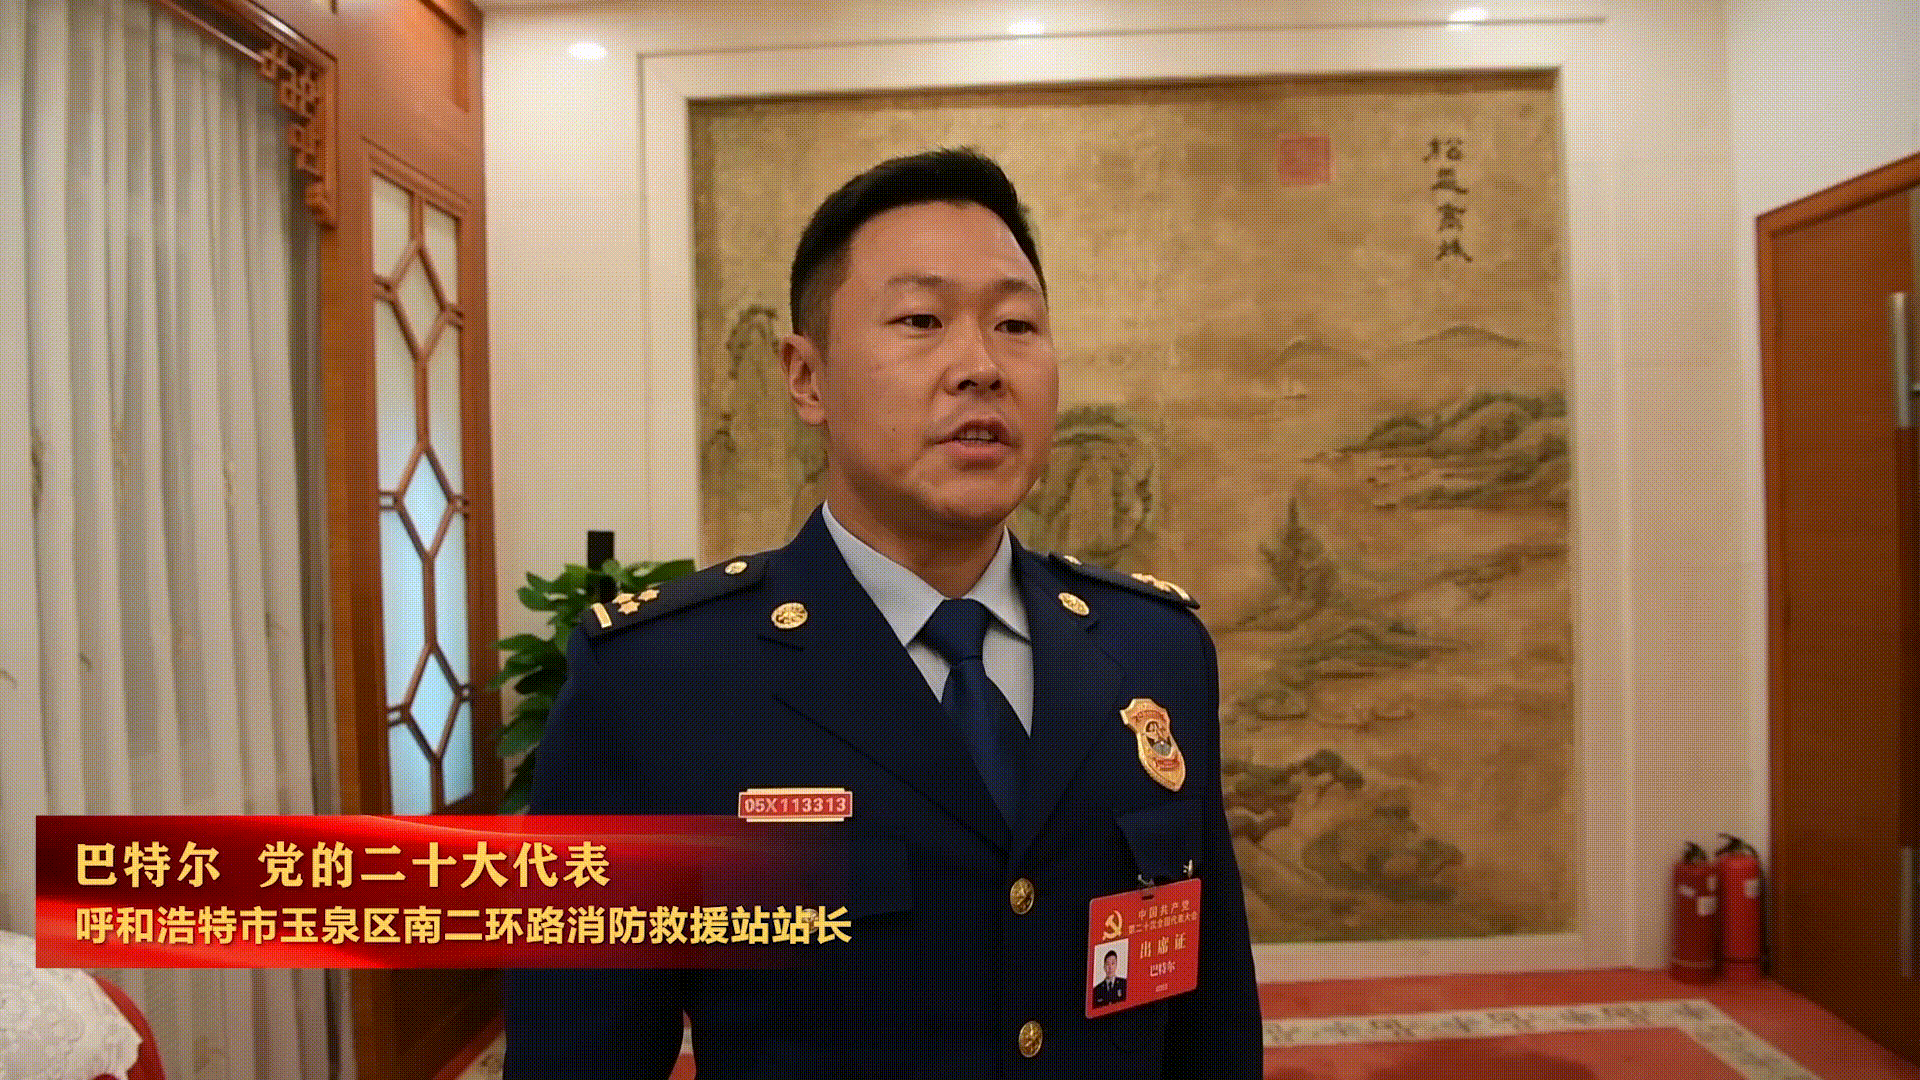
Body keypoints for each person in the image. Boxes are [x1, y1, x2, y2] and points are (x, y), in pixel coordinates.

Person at [505, 147, 1261, 1079]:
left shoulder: (1155, 650)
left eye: (1017, 324)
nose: (981, 366)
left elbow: (1210, 1028)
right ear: (807, 377)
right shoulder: (659, 684)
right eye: (921, 320)